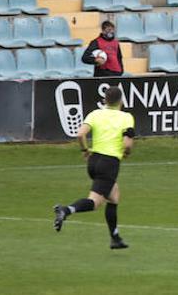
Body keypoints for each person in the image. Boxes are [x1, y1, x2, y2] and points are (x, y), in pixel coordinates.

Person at [52, 86, 134, 250]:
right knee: (95, 202)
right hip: (109, 163)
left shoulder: (95, 114)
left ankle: (115, 238)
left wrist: (84, 150)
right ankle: (66, 210)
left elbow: (80, 134)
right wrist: (126, 152)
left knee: (114, 195)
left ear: (105, 100)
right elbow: (127, 143)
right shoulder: (126, 117)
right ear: (121, 101)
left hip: (94, 161)